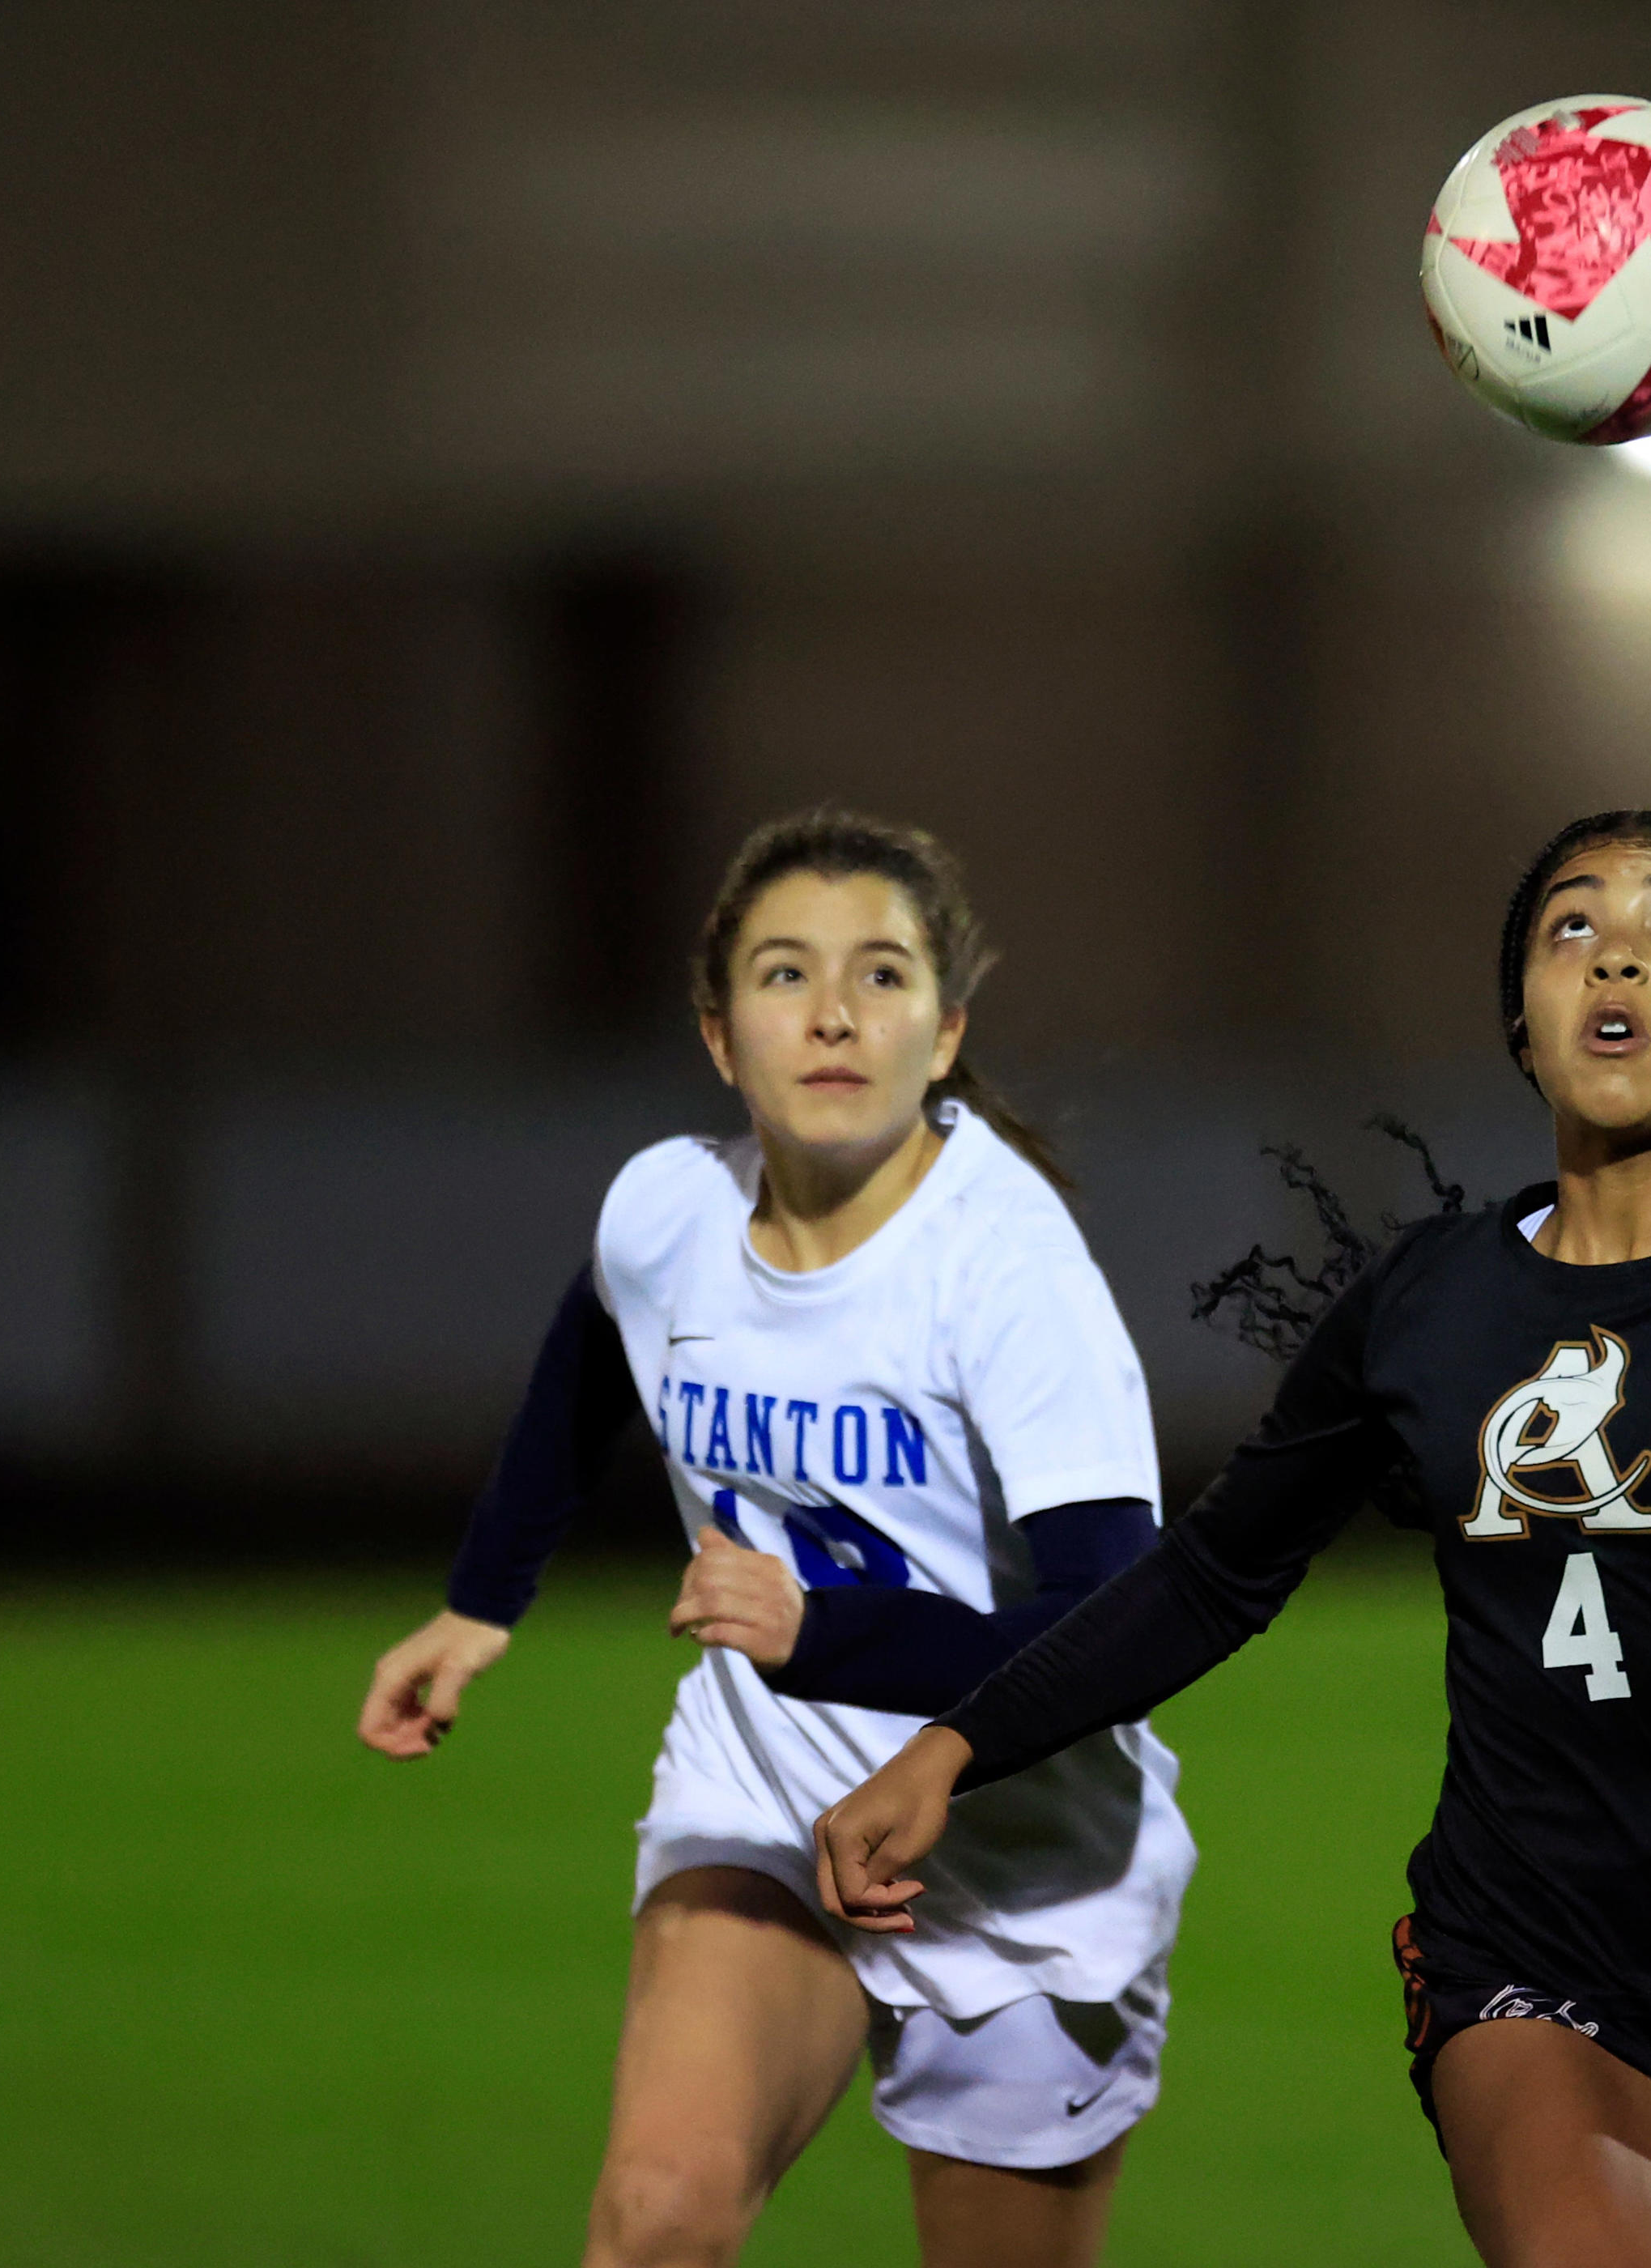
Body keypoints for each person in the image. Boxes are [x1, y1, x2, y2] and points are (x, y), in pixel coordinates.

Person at [811, 811, 1651, 2268]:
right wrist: (955, 1745)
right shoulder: (1425, 1304)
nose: (1614, 949)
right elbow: (1212, 1573)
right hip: (1540, 1970)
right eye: (1569, 927)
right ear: (1524, 1016)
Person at [355, 809, 1186, 2268]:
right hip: (767, 1805)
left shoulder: (1007, 1269)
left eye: (881, 975)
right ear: (721, 1036)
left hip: (1020, 1859)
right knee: (656, 2221)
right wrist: (482, 1601)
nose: (833, 1013)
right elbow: (594, 1346)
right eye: (785, 973)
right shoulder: (671, 1208)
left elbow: (1122, 1625)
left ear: (945, 1034)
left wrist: (826, 1634)